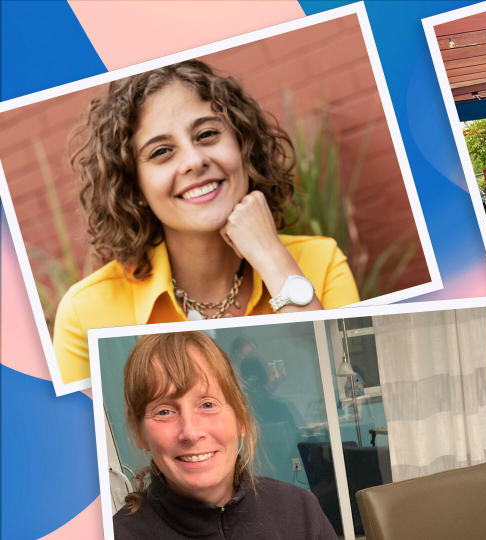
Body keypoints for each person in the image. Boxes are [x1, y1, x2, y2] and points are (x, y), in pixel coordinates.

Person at [54, 60, 360, 386]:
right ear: (135, 187)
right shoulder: (84, 314)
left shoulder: (321, 263)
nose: (194, 161)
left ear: (243, 145)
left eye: (207, 134)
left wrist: (271, 258)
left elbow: (349, 393)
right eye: (161, 152)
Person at [113, 331, 337, 539]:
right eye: (164, 412)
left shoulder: (298, 509)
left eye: (207, 405)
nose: (190, 432)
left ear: (241, 418)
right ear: (139, 434)